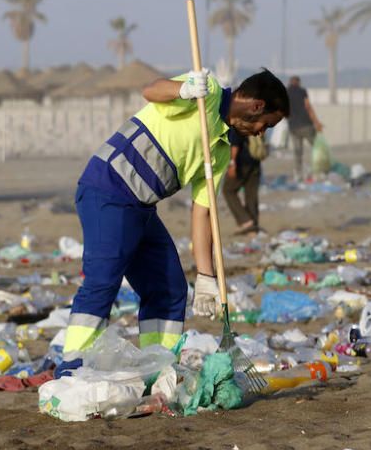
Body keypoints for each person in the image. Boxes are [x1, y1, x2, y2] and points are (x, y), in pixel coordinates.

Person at [55, 69, 288, 378]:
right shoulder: (208, 93)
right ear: (257, 106)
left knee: (169, 288)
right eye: (266, 125)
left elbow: (202, 214)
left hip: (140, 205)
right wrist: (185, 89)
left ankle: (158, 367)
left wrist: (206, 277)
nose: (261, 133)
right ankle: (73, 366)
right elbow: (151, 90)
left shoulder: (218, 151)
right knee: (103, 280)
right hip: (107, 188)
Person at [223, 128, 264, 235]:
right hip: (255, 162)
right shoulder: (253, 120)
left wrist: (232, 164)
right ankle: (253, 226)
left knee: (228, 190)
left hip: (242, 163)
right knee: (251, 194)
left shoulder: (238, 123)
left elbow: (235, 144)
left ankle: (245, 221)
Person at [286, 76, 324, 181]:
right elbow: (308, 107)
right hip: (306, 125)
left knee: (298, 152)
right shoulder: (302, 91)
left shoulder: (285, 93)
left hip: (293, 127)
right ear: (298, 82)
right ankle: (319, 170)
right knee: (317, 148)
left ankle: (298, 174)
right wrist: (317, 122)